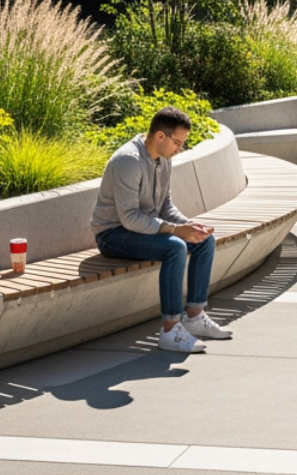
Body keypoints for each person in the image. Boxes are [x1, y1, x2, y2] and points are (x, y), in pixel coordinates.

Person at [92, 107, 232, 354]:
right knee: (175, 247)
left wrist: (190, 226)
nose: (179, 148)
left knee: (204, 241)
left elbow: (165, 206)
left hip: (141, 229)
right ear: (160, 136)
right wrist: (178, 231)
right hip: (113, 234)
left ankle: (195, 317)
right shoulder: (129, 161)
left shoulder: (164, 160)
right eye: (177, 142)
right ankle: (170, 330)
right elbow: (129, 219)